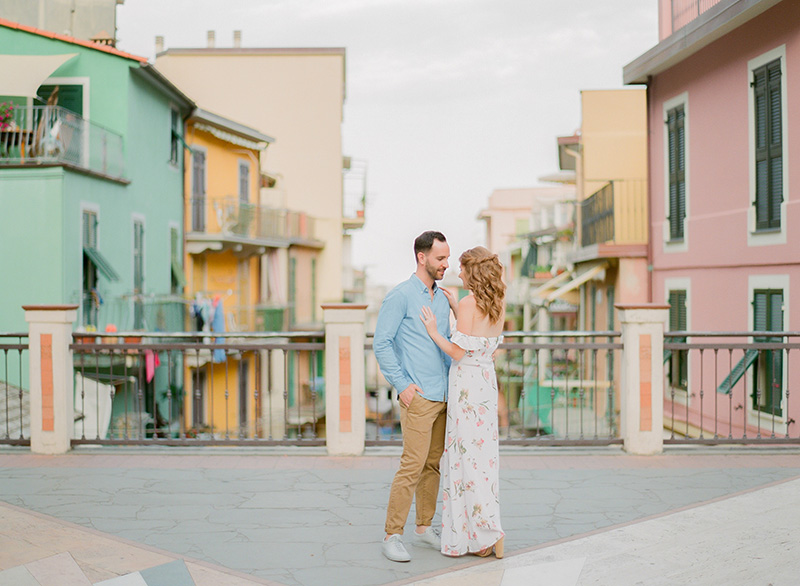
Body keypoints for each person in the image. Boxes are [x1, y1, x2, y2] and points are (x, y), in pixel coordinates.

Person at [374, 230, 457, 563]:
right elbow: (382, 343)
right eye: (440, 259)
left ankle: (424, 527)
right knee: (411, 466)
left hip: (444, 396)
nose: (446, 265)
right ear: (422, 257)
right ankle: (392, 535)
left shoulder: (441, 297)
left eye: (447, 258)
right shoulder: (401, 296)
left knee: (433, 466)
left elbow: (448, 343)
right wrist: (403, 385)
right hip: (418, 397)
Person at [419, 246, 506, 558]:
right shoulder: (496, 302)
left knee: (464, 459)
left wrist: (433, 331)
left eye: (462, 268)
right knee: (483, 461)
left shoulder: (471, 303)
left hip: (466, 386)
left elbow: (458, 351)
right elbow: (481, 341)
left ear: (474, 272)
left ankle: (480, 537)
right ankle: (488, 530)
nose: (458, 272)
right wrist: (457, 310)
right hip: (485, 383)